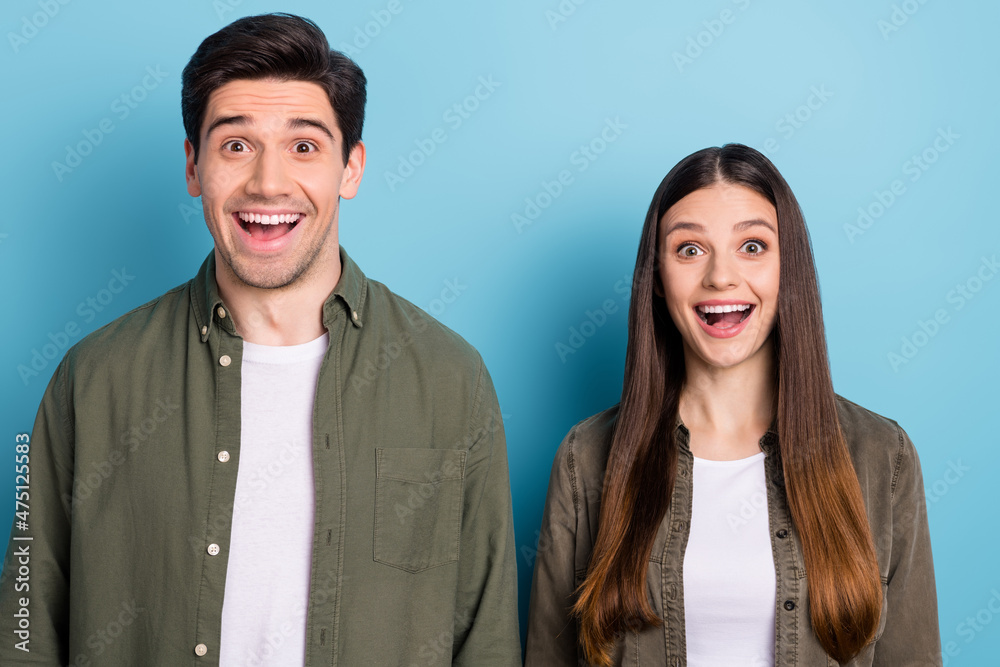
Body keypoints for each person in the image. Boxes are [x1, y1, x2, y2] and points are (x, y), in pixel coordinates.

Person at [0, 13, 520, 666]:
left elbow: (488, 635)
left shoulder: (449, 378)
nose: (268, 183)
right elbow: (24, 623)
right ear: (194, 166)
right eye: (236, 145)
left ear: (350, 169)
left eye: (304, 146)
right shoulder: (95, 377)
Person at [524, 144, 940, 666]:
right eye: (690, 250)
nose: (721, 276)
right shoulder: (586, 459)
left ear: (788, 269)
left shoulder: (883, 457)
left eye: (752, 246)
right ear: (656, 278)